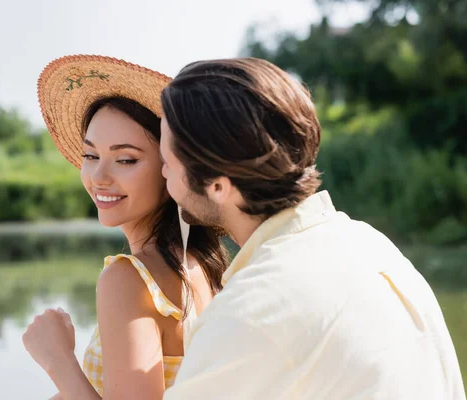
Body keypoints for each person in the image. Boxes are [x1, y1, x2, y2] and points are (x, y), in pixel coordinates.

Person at [157, 57, 465, 399]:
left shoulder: (253, 308)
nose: (162, 172)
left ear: (217, 185)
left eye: (168, 161)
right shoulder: (369, 244)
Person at [0, 55, 228, 400]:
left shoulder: (130, 279)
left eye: (125, 159)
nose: (99, 177)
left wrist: (57, 359)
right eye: (91, 156)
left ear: (171, 168)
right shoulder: (202, 264)